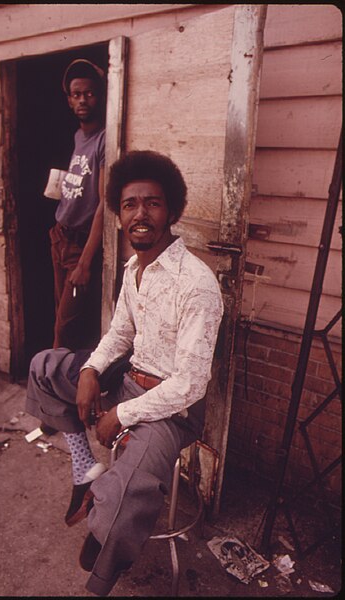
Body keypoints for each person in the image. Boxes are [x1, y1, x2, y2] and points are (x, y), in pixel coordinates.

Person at [26, 150, 224, 596]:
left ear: (171, 211)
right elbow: (119, 333)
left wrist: (124, 414)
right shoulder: (134, 268)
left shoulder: (196, 284)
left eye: (152, 203)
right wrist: (92, 371)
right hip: (126, 378)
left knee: (126, 496)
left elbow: (191, 385)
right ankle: (85, 472)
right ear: (119, 213)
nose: (140, 213)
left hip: (171, 410)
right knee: (45, 366)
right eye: (130, 204)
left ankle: (101, 560)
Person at [49, 58, 106, 352]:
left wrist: (84, 263)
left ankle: (50, 392)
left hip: (79, 248)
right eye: (76, 94)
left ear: (99, 96)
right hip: (60, 236)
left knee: (65, 327)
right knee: (60, 316)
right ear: (69, 101)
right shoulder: (77, 136)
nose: (82, 99)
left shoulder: (104, 140)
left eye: (89, 93)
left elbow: (103, 204)